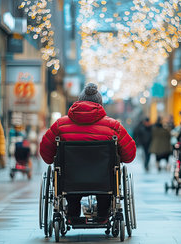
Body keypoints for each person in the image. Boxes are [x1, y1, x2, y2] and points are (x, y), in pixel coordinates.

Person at [39, 83, 136, 224]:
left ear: (78, 102)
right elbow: (129, 156)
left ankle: (72, 213)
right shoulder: (114, 126)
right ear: (100, 104)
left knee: (66, 179)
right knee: (109, 180)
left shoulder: (60, 125)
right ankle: (103, 214)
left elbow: (46, 155)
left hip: (69, 182)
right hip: (105, 182)